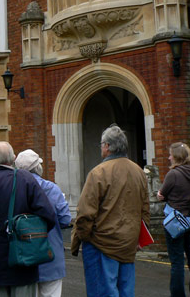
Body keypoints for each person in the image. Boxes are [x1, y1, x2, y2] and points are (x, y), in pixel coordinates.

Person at [70, 124, 149, 297]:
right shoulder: (138, 172)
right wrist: (138, 238)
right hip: (128, 242)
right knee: (126, 291)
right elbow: (145, 210)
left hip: (101, 243)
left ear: (107, 146)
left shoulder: (98, 172)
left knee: (102, 291)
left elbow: (84, 213)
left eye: (101, 145)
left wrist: (84, 237)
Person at [0, 142, 57, 297]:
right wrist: (32, 236)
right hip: (25, 258)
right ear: (13, 158)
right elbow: (48, 215)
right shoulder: (25, 179)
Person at [14, 149, 71, 297]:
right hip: (50, 255)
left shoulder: (13, 190)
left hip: (23, 257)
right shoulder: (52, 188)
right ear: (37, 167)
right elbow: (65, 219)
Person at [156, 143, 190, 297]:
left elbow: (162, 194)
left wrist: (160, 195)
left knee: (177, 262)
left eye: (171, 155)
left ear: (177, 157)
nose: (169, 157)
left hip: (176, 221)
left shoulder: (173, 174)